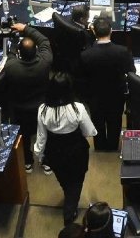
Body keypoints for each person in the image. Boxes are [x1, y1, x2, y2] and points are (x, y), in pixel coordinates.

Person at [34, 71, 97, 225]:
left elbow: (41, 137)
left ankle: (68, 196)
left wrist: (39, 154)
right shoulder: (78, 108)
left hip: (54, 152)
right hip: (76, 151)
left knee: (64, 180)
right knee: (76, 182)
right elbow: (90, 132)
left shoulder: (43, 109)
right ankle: (69, 213)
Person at [0, 21, 52, 172]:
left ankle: (27, 162)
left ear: (19, 53)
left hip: (20, 109)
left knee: (24, 135)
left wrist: (14, 45)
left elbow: (10, 55)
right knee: (45, 134)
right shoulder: (45, 62)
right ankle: (46, 162)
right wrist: (25, 28)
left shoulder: (11, 67)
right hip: (42, 108)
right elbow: (44, 40)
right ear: (36, 51)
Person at [79, 17, 133, 151]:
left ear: (94, 32)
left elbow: (82, 78)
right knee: (115, 121)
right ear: (111, 31)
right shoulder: (123, 51)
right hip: (116, 95)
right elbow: (131, 72)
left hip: (94, 96)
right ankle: (113, 146)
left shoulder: (85, 55)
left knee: (97, 121)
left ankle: (100, 146)